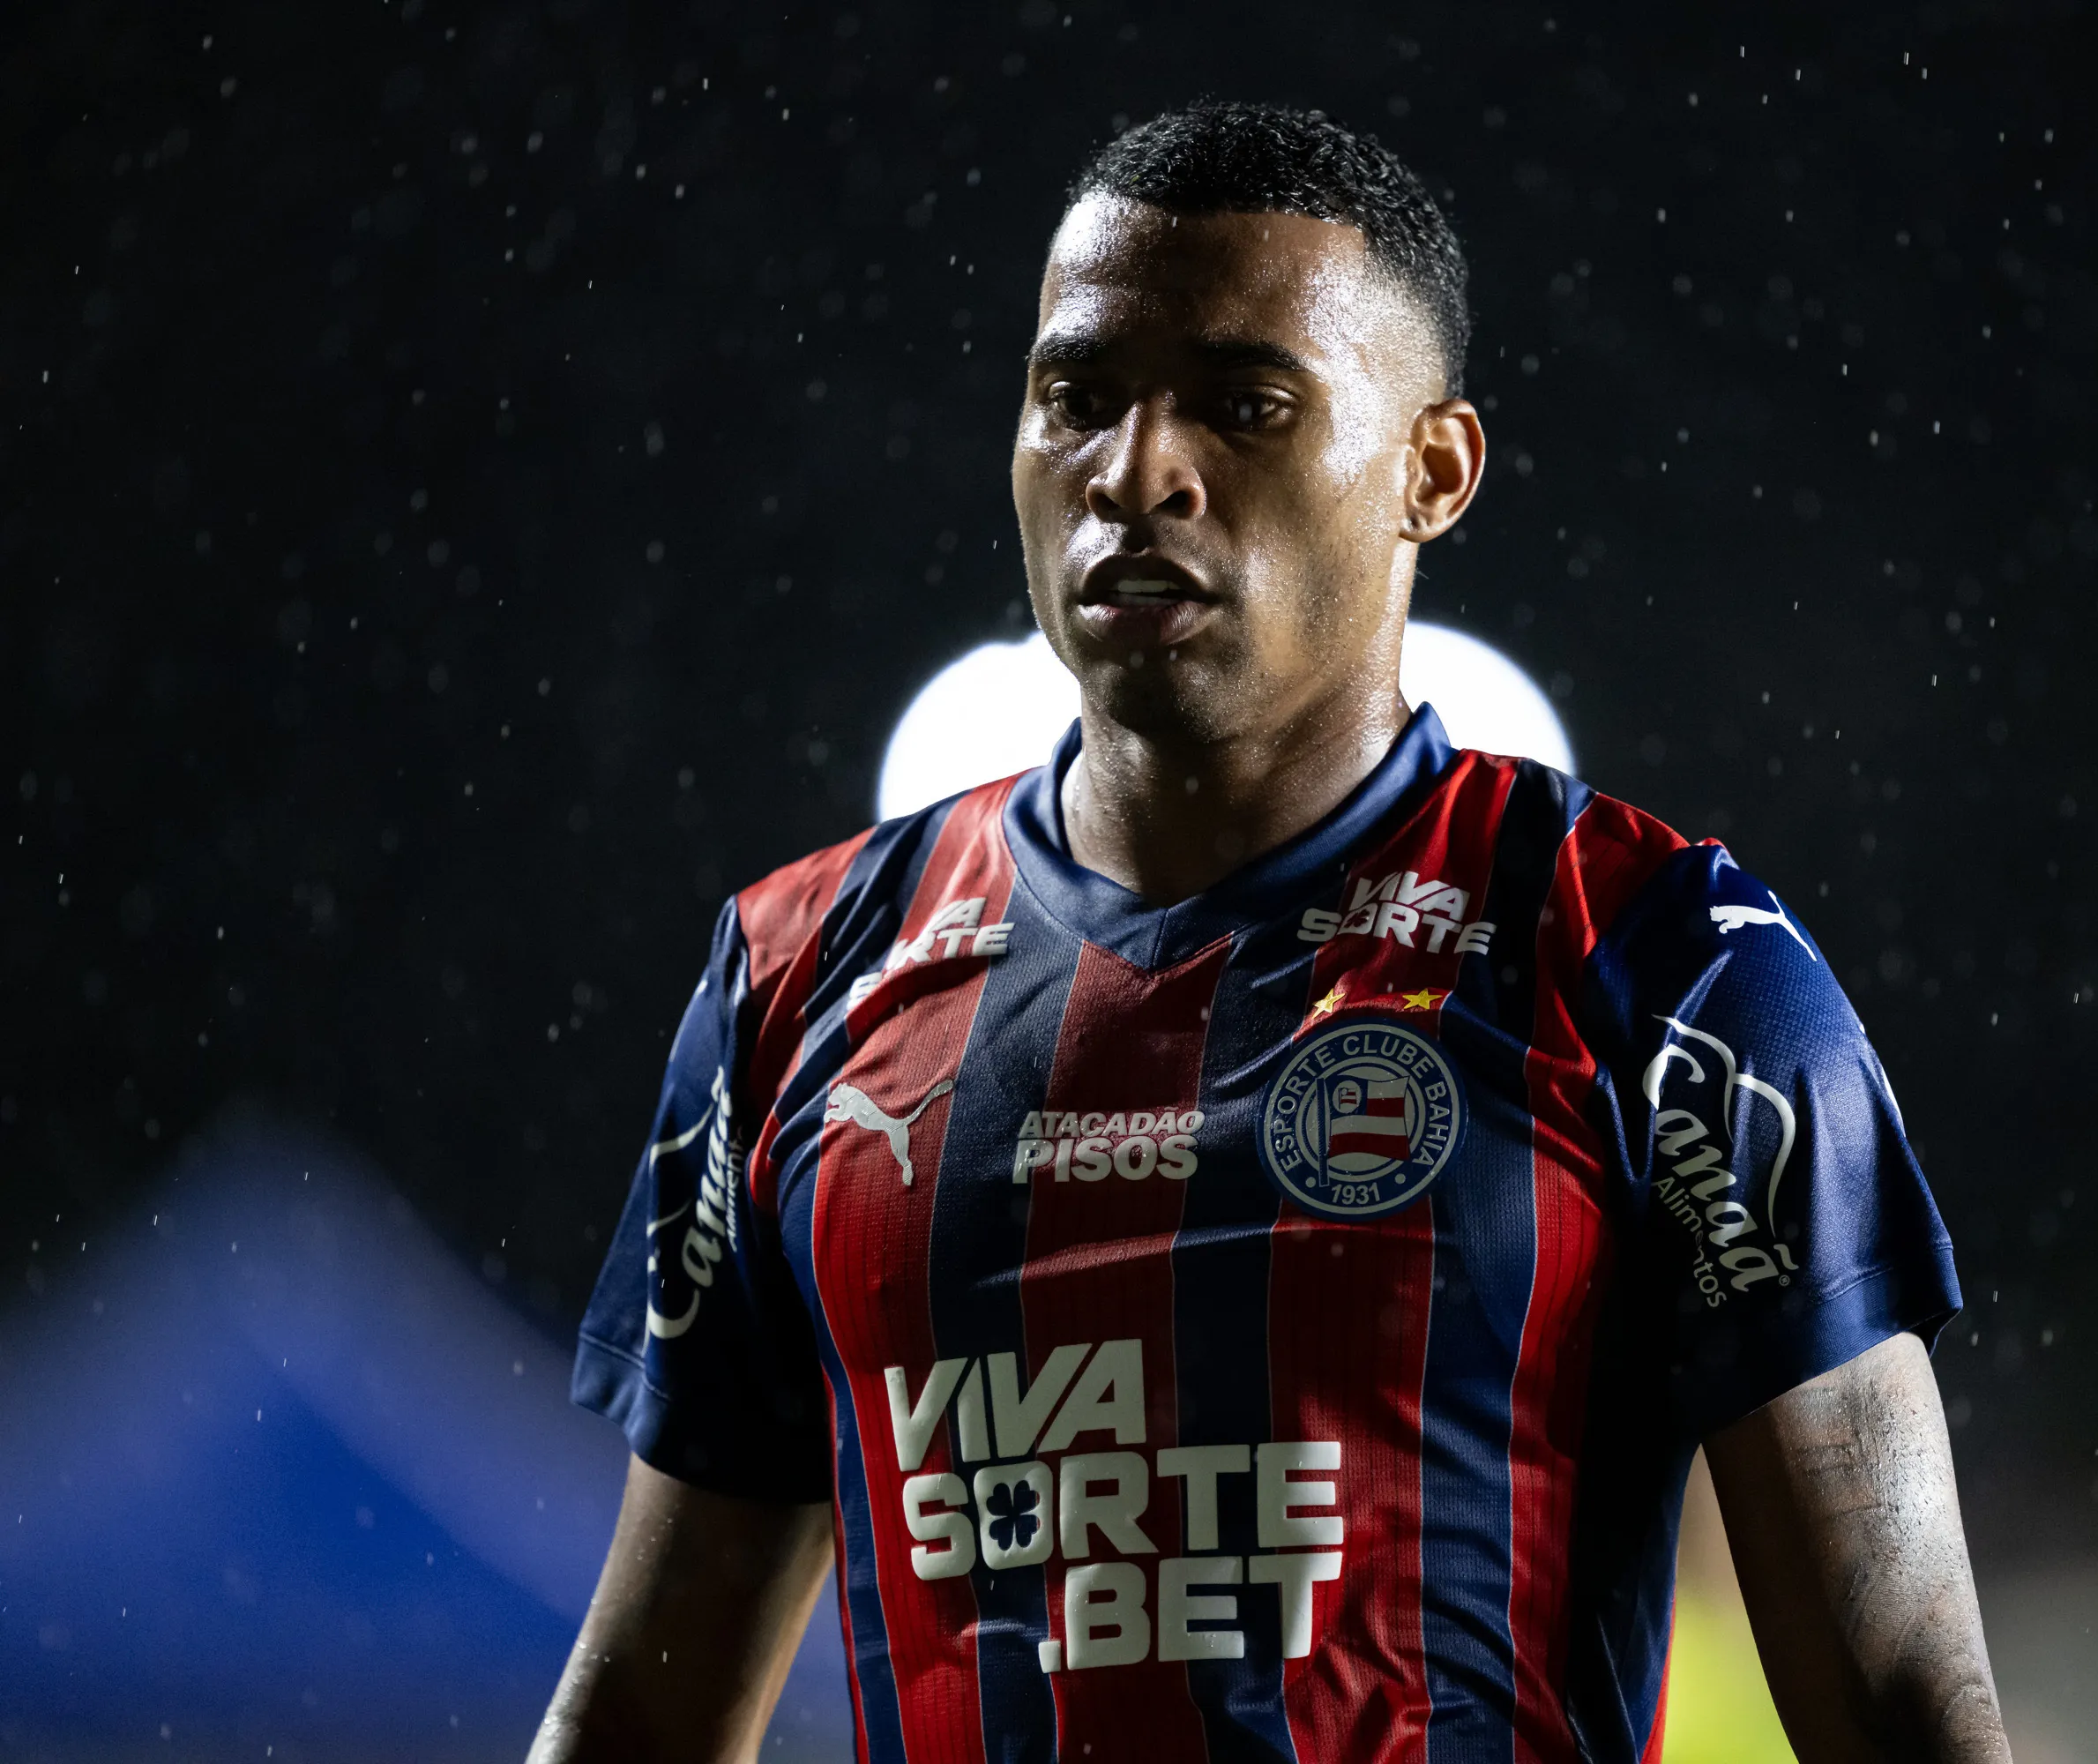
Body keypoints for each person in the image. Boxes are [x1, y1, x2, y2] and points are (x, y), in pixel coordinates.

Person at [532, 101, 2010, 1764]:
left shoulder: (1668, 965)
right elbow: (642, 1710)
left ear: (1431, 475)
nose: (1137, 468)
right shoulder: (798, 978)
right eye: (1076, 398)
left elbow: (1903, 1704)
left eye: (1243, 404)